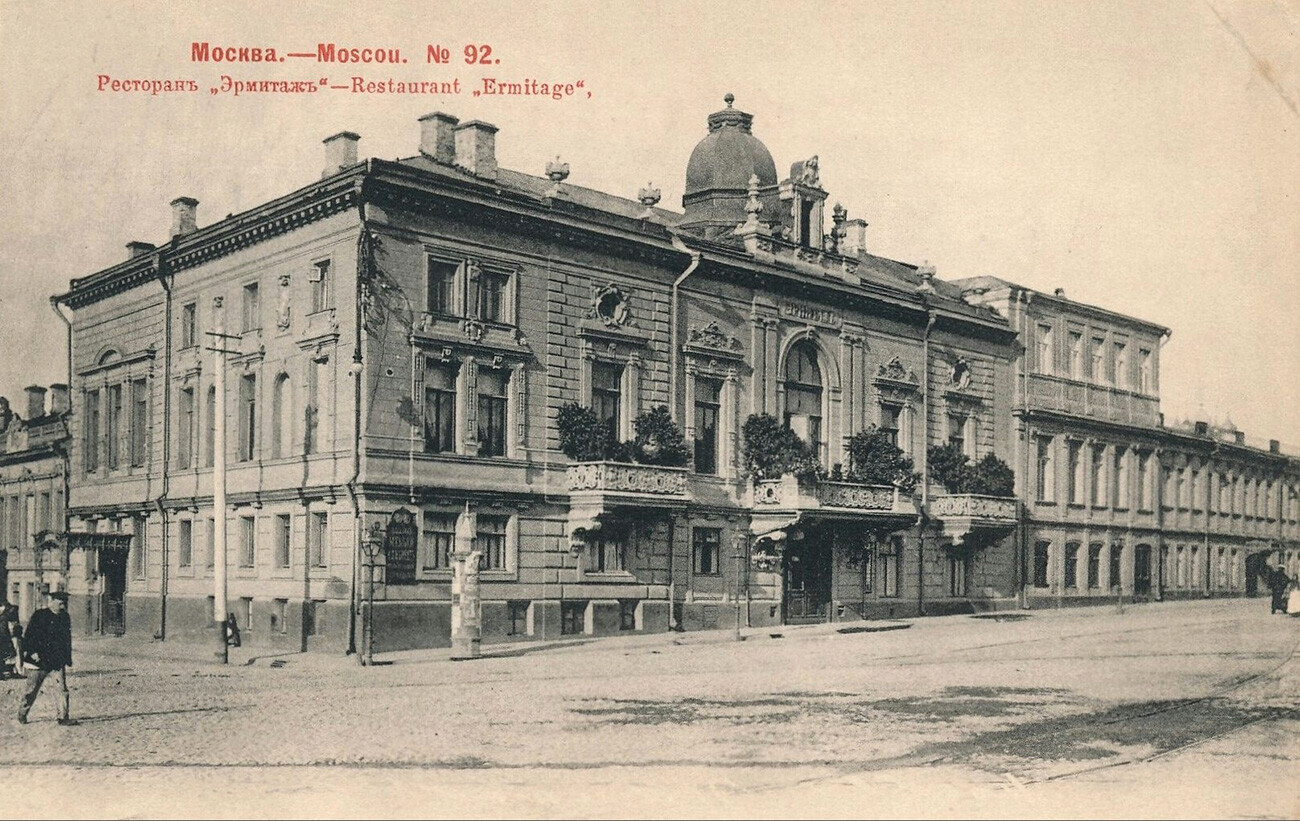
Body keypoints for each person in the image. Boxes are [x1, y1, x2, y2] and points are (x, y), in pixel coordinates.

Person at [17, 590, 75, 726]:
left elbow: (67, 639)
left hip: (57, 660)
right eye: (61, 603)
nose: (63, 606)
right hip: (39, 660)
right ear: (53, 602)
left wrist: (67, 658)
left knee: (62, 689)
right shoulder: (39, 615)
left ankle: (63, 717)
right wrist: (32, 652)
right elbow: (29, 635)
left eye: (64, 604)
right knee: (31, 690)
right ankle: (22, 713)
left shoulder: (65, 617)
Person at [0, 598, 21, 679]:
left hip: (6, 635)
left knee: (9, 653)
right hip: (5, 635)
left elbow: (14, 624)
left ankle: (11, 671)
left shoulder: (11, 610)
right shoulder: (10, 610)